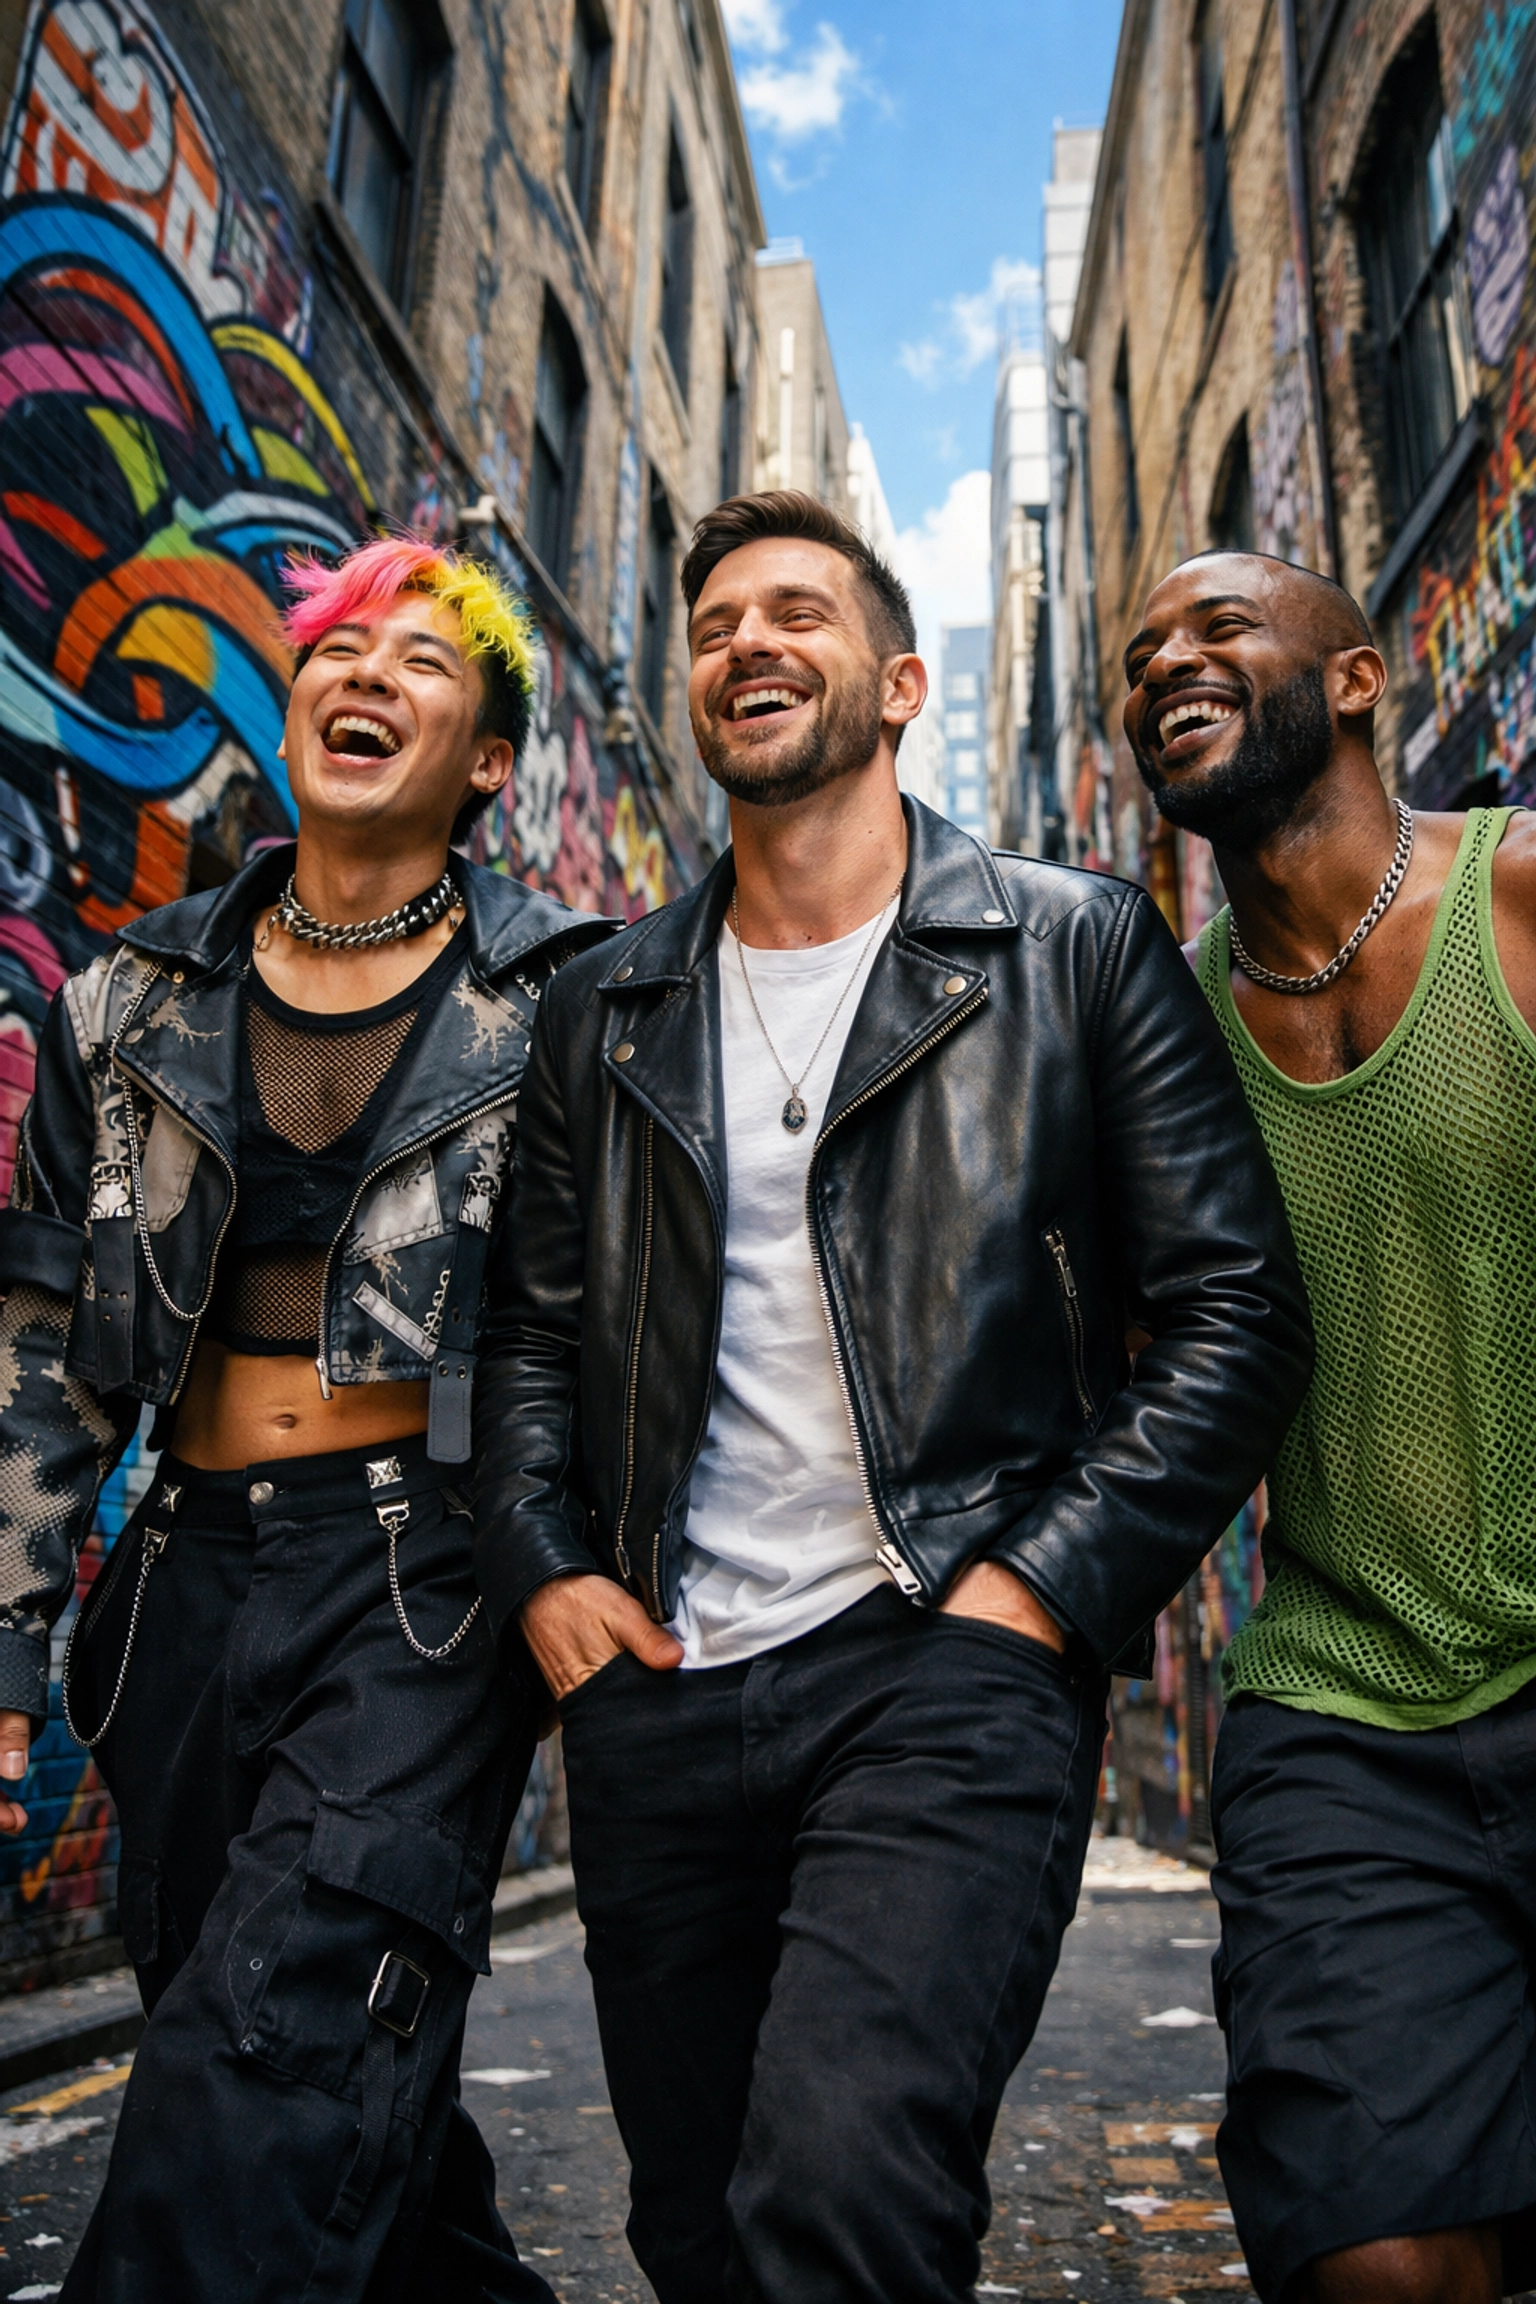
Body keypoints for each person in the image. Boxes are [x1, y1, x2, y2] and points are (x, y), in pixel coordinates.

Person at [470, 490, 1314, 2304]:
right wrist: (547, 1569)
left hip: (946, 1659)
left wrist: (1035, 1594)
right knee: (699, 2235)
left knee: (842, 2185)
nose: (746, 646)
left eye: (797, 613)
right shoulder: (604, 1010)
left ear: (901, 678)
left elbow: (1237, 1311)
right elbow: (531, 1337)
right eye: (712, 628)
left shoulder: (1068, 949)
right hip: (665, 1691)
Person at [0, 536, 610, 2302]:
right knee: (294, 2051)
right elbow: (47, 1354)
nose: (369, 676)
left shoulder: (565, 996)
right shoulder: (128, 1001)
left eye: (425, 661)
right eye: (342, 650)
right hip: (181, 1587)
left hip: (420, 1584)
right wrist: (13, 1661)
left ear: (487, 760)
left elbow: (605, 1318)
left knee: (265, 2051)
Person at [1123, 548, 1536, 2304]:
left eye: (1217, 626)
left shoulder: (1517, 899)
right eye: (1140, 655)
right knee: (1368, 2256)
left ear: (1356, 679)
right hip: (1341, 1707)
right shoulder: (1167, 1040)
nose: (1166, 663)